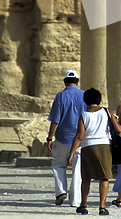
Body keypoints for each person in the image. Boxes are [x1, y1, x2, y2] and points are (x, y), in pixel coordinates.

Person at [67, 87, 121, 216]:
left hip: (88, 147)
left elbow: (79, 136)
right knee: (104, 178)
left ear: (85, 100)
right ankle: (102, 207)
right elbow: (118, 129)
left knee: (86, 178)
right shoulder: (107, 111)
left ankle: (83, 205)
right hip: (104, 146)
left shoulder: (83, 115)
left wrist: (71, 153)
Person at [47, 69, 86, 207]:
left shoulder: (60, 96)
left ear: (64, 82)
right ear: (78, 81)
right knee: (77, 169)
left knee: (58, 164)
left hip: (63, 137)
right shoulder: (84, 95)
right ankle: (75, 200)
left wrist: (49, 137)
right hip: (80, 138)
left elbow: (55, 120)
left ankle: (60, 191)